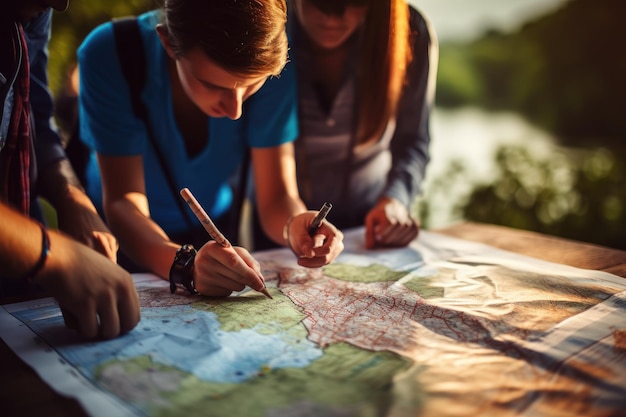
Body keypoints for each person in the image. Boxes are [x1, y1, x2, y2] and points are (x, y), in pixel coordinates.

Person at [77, 0, 344, 297]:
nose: (236, 110)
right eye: (213, 85)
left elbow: (277, 197)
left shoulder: (270, 55)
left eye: (252, 85)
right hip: (122, 244)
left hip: (217, 231)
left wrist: (294, 224)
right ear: (168, 42)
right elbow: (123, 202)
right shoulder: (112, 54)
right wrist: (185, 265)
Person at [0, 0, 140, 339]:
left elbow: (36, 117)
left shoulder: (30, 10)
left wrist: (73, 199)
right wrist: (51, 254)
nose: (60, 5)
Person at [255, 0, 437, 250]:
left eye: (355, 2)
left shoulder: (410, 30)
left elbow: (413, 140)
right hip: (279, 228)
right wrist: (291, 224)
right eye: (317, 2)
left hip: (371, 228)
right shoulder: (266, 27)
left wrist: (395, 199)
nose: (332, 18)